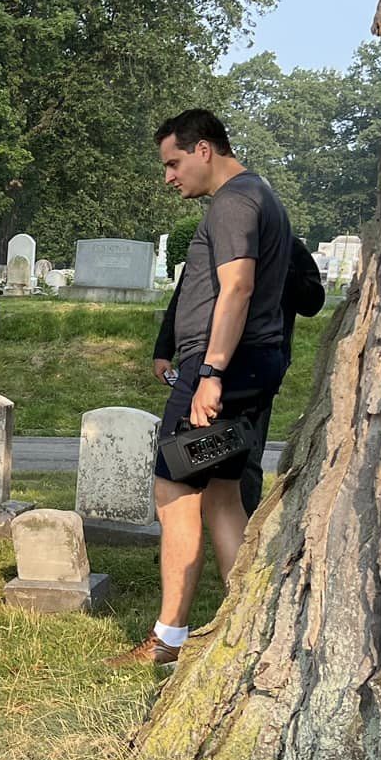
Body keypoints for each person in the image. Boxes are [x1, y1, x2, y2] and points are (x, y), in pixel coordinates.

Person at [118, 108, 293, 669]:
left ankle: (168, 640)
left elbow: (236, 287)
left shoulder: (234, 200)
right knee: (220, 494)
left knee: (174, 494)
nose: (169, 176)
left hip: (222, 368)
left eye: (172, 162)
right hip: (250, 365)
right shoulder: (260, 195)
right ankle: (251, 629)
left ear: (203, 150)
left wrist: (211, 373)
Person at [152, 229, 326, 514]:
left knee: (246, 453)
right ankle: (189, 513)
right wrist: (163, 349)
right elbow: (185, 296)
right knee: (186, 444)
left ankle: (242, 518)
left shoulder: (287, 246)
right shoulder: (219, 239)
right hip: (204, 358)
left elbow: (312, 301)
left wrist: (281, 267)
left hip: (257, 368)